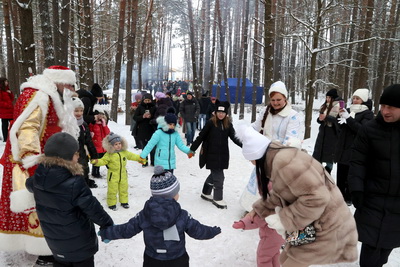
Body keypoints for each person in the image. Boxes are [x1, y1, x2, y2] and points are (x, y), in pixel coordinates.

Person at [236, 125, 358, 267]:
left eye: (251, 159)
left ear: (257, 155)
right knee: (284, 260)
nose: (251, 163)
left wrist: (284, 219)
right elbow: (281, 193)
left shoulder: (283, 163)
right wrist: (258, 210)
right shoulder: (279, 158)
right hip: (311, 225)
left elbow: (317, 198)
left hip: (325, 225)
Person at [0, 65, 80, 266]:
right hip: (37, 162)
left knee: (47, 205)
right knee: (41, 206)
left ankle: (47, 246)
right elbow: (27, 130)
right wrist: (35, 165)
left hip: (50, 158)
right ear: (59, 82)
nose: (71, 88)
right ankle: (44, 251)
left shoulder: (50, 94)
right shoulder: (39, 96)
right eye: (69, 84)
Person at [98, 166, 221, 267]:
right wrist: (213, 231)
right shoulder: (182, 215)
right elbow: (198, 231)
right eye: (176, 192)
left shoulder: (144, 214)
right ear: (172, 194)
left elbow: (127, 229)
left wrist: (107, 233)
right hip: (177, 260)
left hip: (152, 260)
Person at [25, 132, 114, 267]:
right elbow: (92, 208)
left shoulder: (39, 178)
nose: (78, 155)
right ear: (66, 158)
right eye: (76, 153)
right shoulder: (74, 183)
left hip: (55, 243)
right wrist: (107, 224)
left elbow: (28, 184)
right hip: (80, 245)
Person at [348, 84, 400, 267]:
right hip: (372, 200)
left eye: (391, 107)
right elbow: (357, 162)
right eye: (383, 106)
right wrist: (356, 189)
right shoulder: (369, 130)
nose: (385, 111)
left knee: (386, 249)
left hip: (397, 205)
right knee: (370, 253)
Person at [190, 101, 242, 209]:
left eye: (223, 113)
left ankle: (205, 192)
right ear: (215, 112)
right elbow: (201, 136)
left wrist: (244, 145)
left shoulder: (228, 124)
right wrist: (192, 149)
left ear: (226, 114)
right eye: (219, 112)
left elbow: (234, 137)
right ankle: (218, 198)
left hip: (222, 155)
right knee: (219, 177)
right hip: (211, 154)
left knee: (214, 175)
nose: (221, 114)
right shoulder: (210, 123)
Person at [334, 88, 374, 205]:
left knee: (350, 176)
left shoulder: (367, 114)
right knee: (340, 176)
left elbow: (362, 130)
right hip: (343, 148)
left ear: (364, 100)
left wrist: (348, 119)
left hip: (355, 150)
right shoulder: (348, 110)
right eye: (353, 98)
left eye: (357, 98)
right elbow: (341, 129)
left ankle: (349, 197)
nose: (355, 101)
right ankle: (339, 196)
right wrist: (339, 118)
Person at [91, 132, 145, 211]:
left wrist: (139, 158)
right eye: (116, 144)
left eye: (119, 143)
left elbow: (132, 156)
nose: (118, 145)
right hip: (113, 175)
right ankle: (111, 203)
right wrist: (96, 162)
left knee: (124, 189)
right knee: (112, 190)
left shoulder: (124, 152)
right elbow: (103, 161)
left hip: (123, 174)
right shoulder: (109, 154)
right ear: (111, 146)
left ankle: (124, 202)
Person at [140, 108, 192, 173]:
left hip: (171, 163)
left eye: (174, 124)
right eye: (170, 124)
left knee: (170, 181)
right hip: (160, 163)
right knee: (161, 181)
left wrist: (189, 152)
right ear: (165, 123)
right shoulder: (159, 133)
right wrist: (143, 156)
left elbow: (181, 145)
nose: (172, 126)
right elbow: (150, 145)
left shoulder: (175, 134)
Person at [312, 88, 341, 174]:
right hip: (322, 133)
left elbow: (338, 120)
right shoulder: (324, 106)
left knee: (329, 156)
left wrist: (326, 117)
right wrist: (320, 119)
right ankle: (317, 172)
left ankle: (327, 173)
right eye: (327, 97)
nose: (327, 99)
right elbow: (320, 120)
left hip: (332, 135)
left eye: (329, 97)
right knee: (318, 154)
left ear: (334, 98)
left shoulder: (339, 106)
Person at [72, 97, 99, 188]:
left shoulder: (83, 125)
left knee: (84, 171)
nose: (79, 113)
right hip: (70, 156)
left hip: (82, 154)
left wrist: (94, 155)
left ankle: (85, 183)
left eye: (81, 111)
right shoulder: (67, 125)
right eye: (76, 111)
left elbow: (88, 141)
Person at [133, 93, 156, 167]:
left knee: (152, 146)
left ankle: (153, 161)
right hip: (142, 129)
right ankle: (145, 161)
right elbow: (135, 117)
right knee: (144, 146)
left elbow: (157, 118)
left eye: (148, 100)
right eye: (145, 100)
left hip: (152, 129)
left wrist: (151, 117)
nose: (147, 102)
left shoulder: (154, 107)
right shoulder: (140, 107)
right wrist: (143, 116)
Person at [89, 104, 111, 178]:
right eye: (99, 114)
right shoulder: (92, 124)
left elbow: (107, 133)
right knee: (97, 160)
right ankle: (95, 173)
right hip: (96, 146)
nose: (101, 116)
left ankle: (112, 169)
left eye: (102, 114)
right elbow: (91, 133)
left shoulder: (103, 123)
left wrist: (104, 125)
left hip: (103, 146)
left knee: (106, 159)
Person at [0, 77, 14, 142]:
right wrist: (7, 105)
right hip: (4, 111)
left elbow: (12, 99)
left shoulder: (7, 89)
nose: (7, 83)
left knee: (12, 124)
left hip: (10, 110)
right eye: (5, 81)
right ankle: (5, 138)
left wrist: (10, 93)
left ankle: (12, 136)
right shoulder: (0, 91)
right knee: (5, 125)